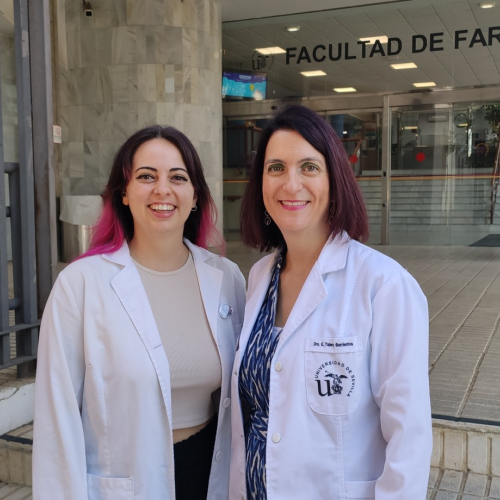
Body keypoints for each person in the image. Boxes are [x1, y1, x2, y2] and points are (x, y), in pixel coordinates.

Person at [229, 105, 432, 499]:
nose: (291, 184)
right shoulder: (259, 277)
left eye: (309, 167)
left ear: (334, 180)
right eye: (275, 168)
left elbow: (409, 435)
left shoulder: (384, 285)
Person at [33, 126, 246, 500]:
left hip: (210, 474)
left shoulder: (227, 278)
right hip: (127, 483)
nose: (162, 189)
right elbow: (57, 420)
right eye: (146, 176)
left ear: (195, 195)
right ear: (124, 193)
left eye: (177, 177)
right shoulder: (80, 284)